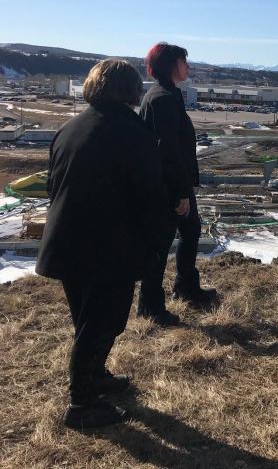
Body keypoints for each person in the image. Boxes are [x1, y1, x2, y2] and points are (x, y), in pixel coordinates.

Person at [37, 59, 169, 429]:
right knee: (102, 323)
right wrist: (157, 241)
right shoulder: (133, 131)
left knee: (86, 320)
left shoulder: (69, 128)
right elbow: (148, 193)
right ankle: (81, 404)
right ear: (131, 91)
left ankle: (96, 377)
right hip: (109, 245)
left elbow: (53, 187)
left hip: (66, 239)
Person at [138, 42, 215, 327]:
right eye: (185, 62)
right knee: (160, 243)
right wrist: (181, 193)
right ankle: (150, 305)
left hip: (176, 183)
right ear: (171, 65)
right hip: (167, 187)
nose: (188, 67)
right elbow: (167, 150)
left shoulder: (168, 95)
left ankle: (186, 286)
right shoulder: (162, 99)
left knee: (191, 230)